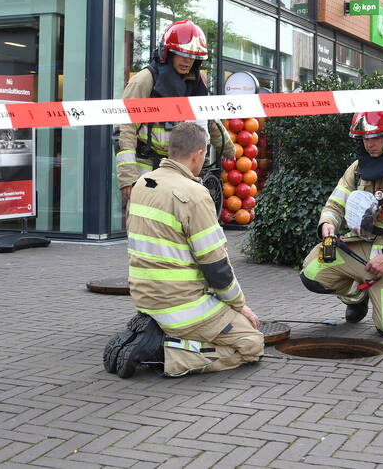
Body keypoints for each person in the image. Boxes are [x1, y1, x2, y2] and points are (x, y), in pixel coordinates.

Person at [104, 121, 263, 378]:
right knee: (251, 344)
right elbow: (216, 266)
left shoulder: (143, 185)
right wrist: (240, 306)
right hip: (182, 305)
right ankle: (162, 352)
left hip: (145, 298)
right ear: (199, 154)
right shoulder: (195, 194)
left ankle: (156, 332)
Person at [298, 111, 383, 337]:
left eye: (375, 138)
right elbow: (335, 204)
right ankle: (358, 296)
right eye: (364, 139)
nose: (369, 145)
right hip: (362, 246)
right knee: (312, 273)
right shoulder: (358, 168)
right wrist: (328, 224)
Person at [115, 19, 235, 212]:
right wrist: (128, 176)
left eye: (193, 56)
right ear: (167, 53)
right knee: (145, 224)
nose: (188, 61)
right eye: (182, 54)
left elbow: (210, 120)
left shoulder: (195, 84)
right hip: (147, 165)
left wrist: (229, 150)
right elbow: (125, 128)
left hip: (178, 168)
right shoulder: (145, 81)